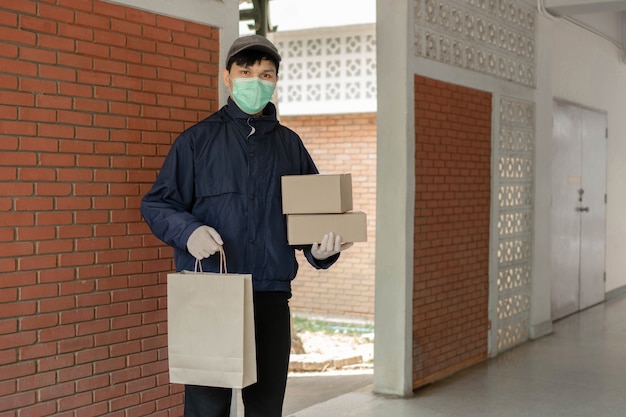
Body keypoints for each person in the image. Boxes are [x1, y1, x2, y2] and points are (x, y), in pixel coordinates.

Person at [140, 34, 352, 417]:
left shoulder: (291, 146)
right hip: (212, 295)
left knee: (266, 407)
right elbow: (157, 203)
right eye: (246, 71)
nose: (256, 80)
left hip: (270, 296)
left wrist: (321, 251)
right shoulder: (196, 142)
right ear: (227, 77)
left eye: (266, 74)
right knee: (207, 407)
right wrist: (188, 231)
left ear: (275, 81)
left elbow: (313, 217)